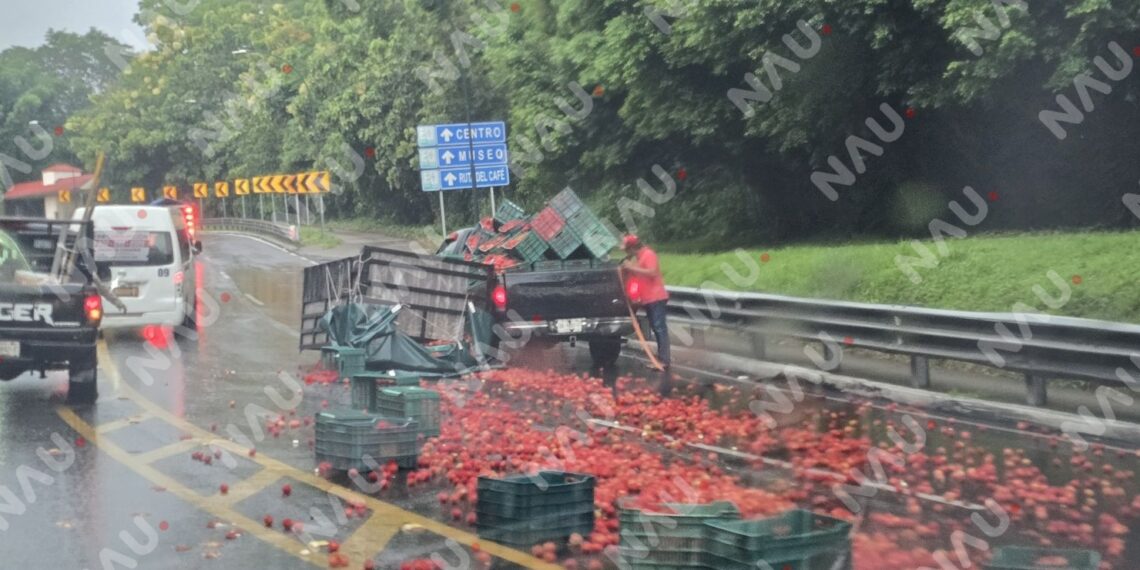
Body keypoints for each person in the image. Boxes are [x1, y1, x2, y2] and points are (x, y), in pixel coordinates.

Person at [620, 234, 670, 370]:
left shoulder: (649, 254)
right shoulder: (639, 258)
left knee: (659, 328)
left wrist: (631, 268)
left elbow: (652, 272)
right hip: (648, 299)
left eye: (627, 250)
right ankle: (661, 360)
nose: (626, 253)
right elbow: (638, 276)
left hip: (656, 297)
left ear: (632, 248)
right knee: (656, 328)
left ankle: (664, 361)